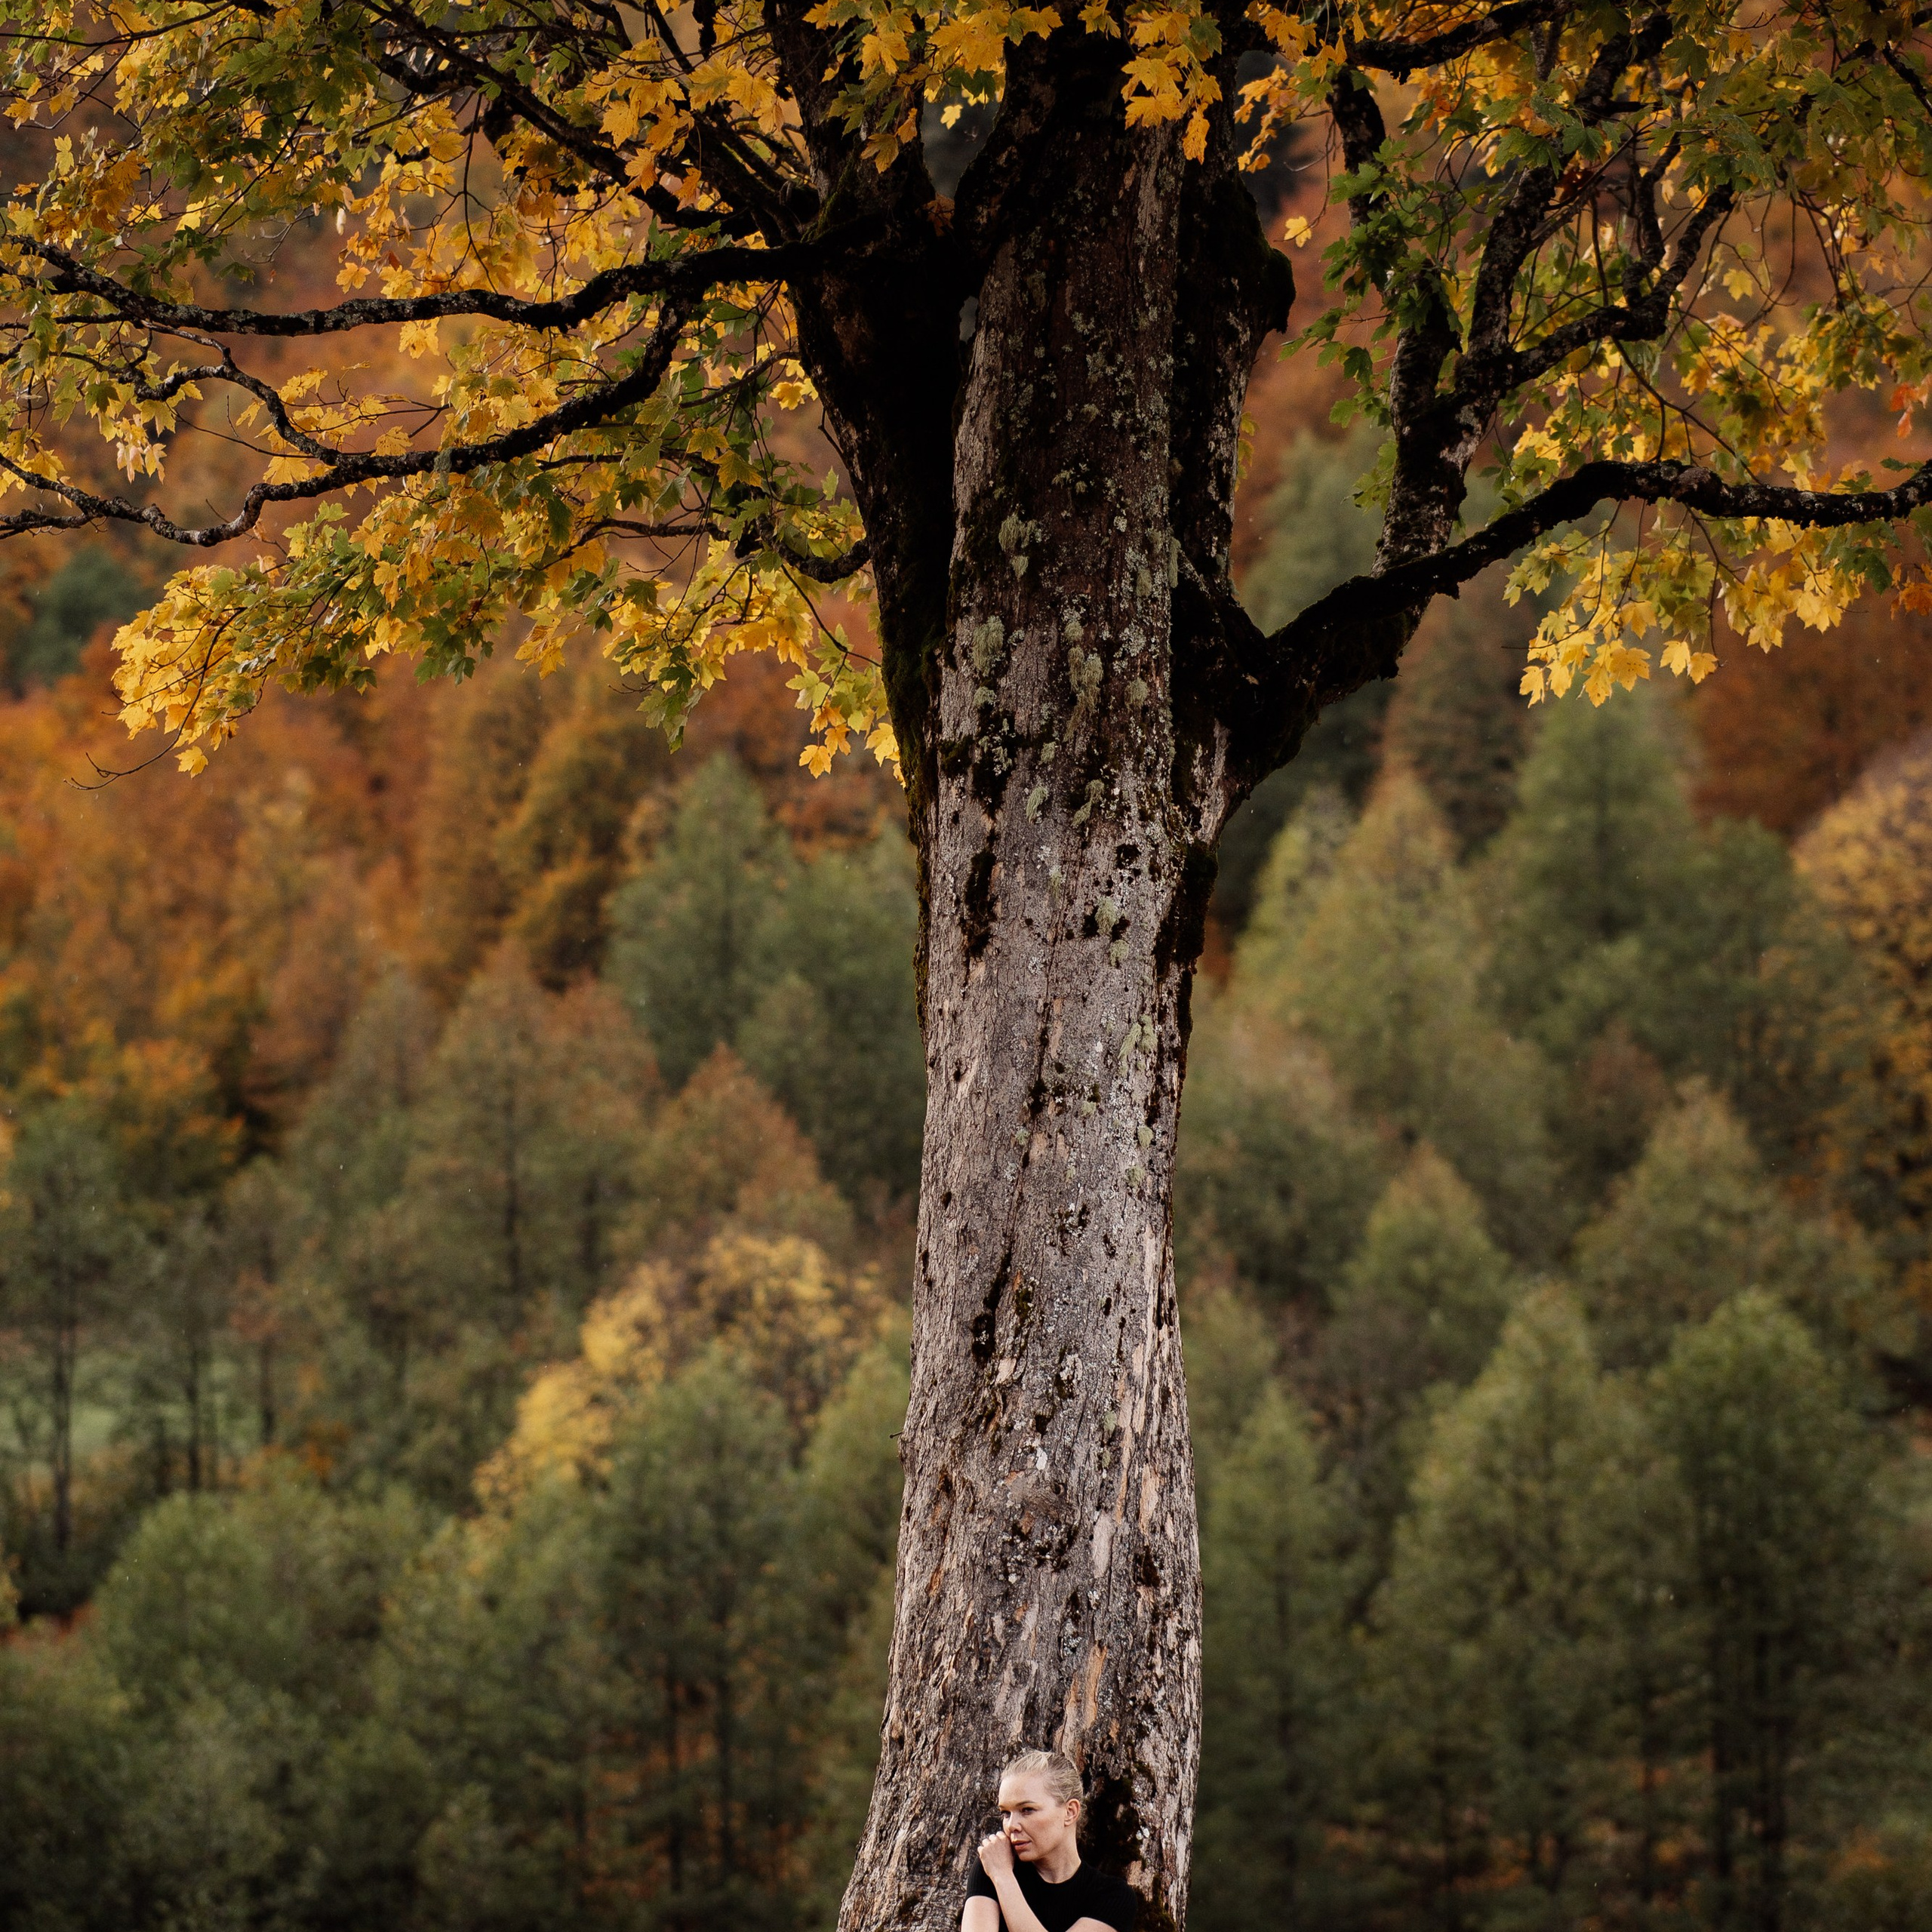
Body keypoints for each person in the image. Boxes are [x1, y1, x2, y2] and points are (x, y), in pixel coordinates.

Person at [961, 1749, 1139, 1932]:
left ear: (1070, 1812)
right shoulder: (993, 1866)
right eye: (1006, 1813)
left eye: (1027, 1810)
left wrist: (1004, 1879)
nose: (1011, 1825)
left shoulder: (1112, 1896)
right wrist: (1000, 1873)